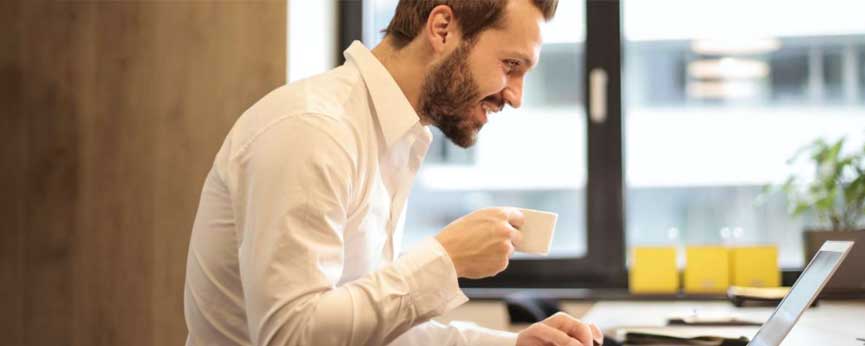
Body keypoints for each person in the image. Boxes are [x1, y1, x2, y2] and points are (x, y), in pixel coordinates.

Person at [183, 0, 603, 345]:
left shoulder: (393, 138)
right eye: (511, 65)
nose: (515, 96)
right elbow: (290, 335)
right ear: (441, 29)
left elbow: (371, 331)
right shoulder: (313, 130)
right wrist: (445, 259)